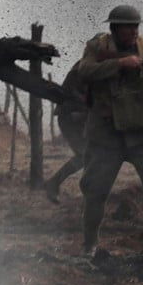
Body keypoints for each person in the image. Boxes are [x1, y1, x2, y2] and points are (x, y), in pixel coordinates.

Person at [76, 5, 143, 254]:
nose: (133, 31)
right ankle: (89, 247)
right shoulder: (97, 47)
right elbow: (84, 71)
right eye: (127, 27)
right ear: (114, 28)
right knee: (95, 191)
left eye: (136, 26)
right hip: (106, 134)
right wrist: (120, 63)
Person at [42, 61, 91, 203]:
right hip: (71, 118)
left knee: (91, 155)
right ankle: (54, 183)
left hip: (81, 118)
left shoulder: (94, 66)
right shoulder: (83, 69)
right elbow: (71, 94)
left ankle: (55, 183)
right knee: (85, 155)